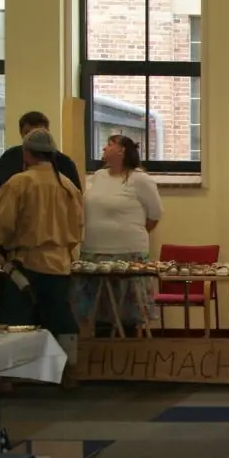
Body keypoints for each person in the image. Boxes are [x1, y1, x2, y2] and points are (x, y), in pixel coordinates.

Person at [0, 129, 85, 379]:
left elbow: (0, 224)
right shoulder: (67, 185)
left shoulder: (19, 183)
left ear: (26, 154)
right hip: (59, 264)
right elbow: (78, 225)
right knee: (61, 318)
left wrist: (0, 247)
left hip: (25, 264)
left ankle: (7, 378)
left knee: (16, 319)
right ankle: (70, 371)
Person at [72, 135, 162, 337]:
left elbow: (154, 216)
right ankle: (102, 355)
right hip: (94, 252)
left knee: (125, 313)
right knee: (99, 310)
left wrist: (128, 233)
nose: (104, 147)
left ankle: (125, 355)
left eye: (110, 144)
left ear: (121, 151)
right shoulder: (98, 176)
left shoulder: (140, 179)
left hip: (126, 254)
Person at [0, 110, 82, 192]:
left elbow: (77, 205)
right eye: (28, 133)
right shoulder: (11, 159)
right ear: (21, 135)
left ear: (48, 133)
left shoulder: (65, 165)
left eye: (38, 133)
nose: (34, 139)